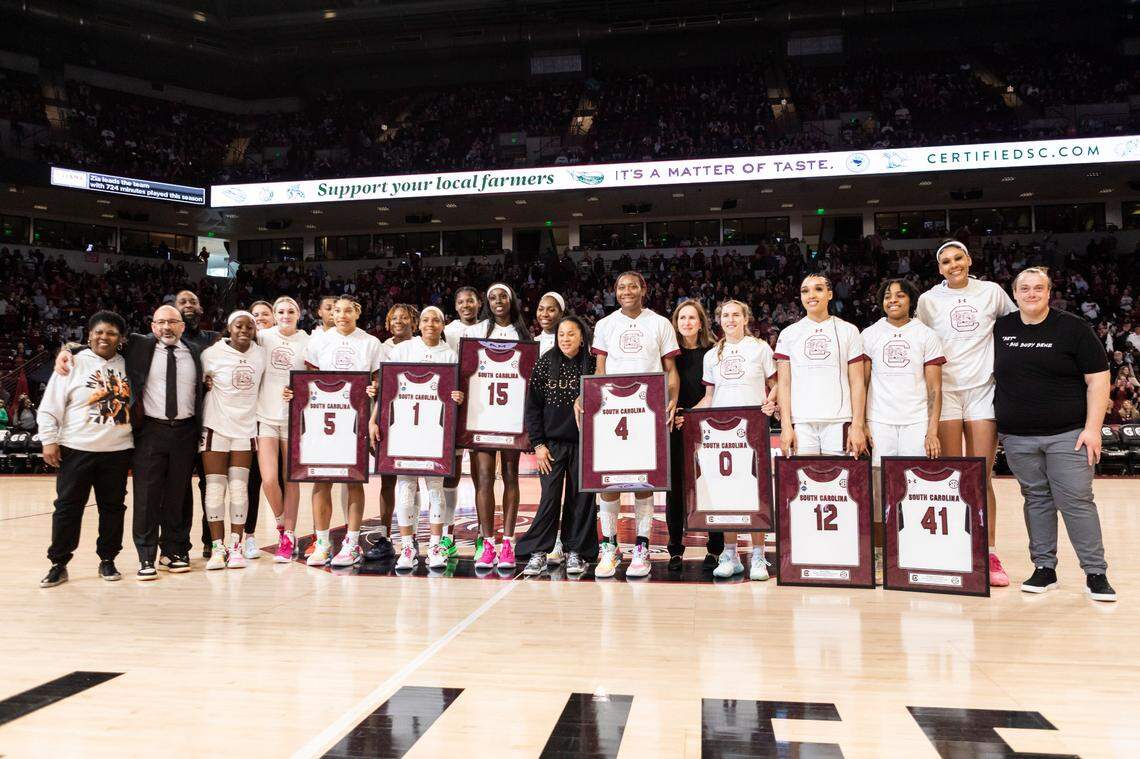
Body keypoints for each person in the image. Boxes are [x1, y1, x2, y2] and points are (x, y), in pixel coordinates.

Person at [994, 267, 1115, 601]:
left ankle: (1095, 573)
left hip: (1069, 434)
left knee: (1076, 500)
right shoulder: (1001, 328)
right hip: (1018, 436)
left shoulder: (1073, 328)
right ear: (1014, 294)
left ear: (1049, 293)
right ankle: (1044, 569)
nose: (1031, 294)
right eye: (1024, 288)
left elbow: (1099, 379)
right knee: (1036, 500)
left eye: (1038, 288)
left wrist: (1093, 430)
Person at [916, 240, 1016, 586]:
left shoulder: (991, 292)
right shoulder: (928, 300)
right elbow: (919, 341)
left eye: (958, 258)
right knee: (950, 476)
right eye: (945, 261)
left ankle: (987, 551)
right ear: (939, 268)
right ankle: (954, 547)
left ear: (969, 260)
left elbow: (1014, 327)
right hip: (945, 393)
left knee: (980, 476)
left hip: (982, 390)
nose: (953, 264)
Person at [590, 271, 681, 579]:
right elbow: (600, 371)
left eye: (632, 286)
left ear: (644, 289)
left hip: (648, 413)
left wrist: (672, 399)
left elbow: (671, 369)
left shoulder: (660, 323)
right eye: (620, 287)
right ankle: (609, 547)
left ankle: (641, 547)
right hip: (613, 413)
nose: (626, 291)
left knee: (644, 483)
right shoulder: (605, 325)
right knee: (610, 483)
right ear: (615, 292)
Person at [38, 311, 134, 587]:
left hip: (117, 450)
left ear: (121, 339)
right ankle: (59, 562)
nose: (104, 337)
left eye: (112, 333)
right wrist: (49, 440)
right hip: (76, 447)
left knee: (113, 508)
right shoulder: (72, 364)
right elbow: (50, 406)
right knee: (67, 508)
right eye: (99, 332)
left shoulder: (129, 365)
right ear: (89, 334)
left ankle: (108, 559)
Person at [688, 300, 777, 580]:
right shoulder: (712, 354)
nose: (730, 319)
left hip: (753, 431)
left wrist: (772, 402)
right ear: (719, 320)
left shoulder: (760, 348)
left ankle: (759, 555)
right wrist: (687, 416)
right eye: (725, 315)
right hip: (721, 433)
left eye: (735, 314)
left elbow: (777, 385)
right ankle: (731, 553)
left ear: (745, 318)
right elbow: (710, 397)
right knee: (728, 492)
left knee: (754, 492)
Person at [375, 307, 464, 571]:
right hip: (404, 430)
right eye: (425, 319)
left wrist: (457, 396)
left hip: (435, 431)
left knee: (435, 488)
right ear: (418, 324)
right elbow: (386, 390)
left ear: (443, 324)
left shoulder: (450, 354)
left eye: (436, 319)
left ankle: (435, 546)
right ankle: (407, 547)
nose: (430, 324)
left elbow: (456, 391)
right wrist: (374, 410)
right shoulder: (402, 350)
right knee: (406, 488)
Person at [862, 279, 945, 550]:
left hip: (916, 421)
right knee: (876, 492)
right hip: (879, 421)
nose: (893, 300)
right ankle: (878, 551)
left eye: (900, 295)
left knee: (914, 487)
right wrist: (861, 423)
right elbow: (861, 384)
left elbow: (935, 388)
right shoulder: (870, 334)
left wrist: (932, 430)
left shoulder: (926, 335)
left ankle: (912, 548)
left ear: (911, 300)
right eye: (887, 296)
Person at [302, 296, 382, 566]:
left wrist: (375, 392)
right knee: (321, 480)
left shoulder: (370, 343)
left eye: (348, 310)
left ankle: (352, 542)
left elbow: (379, 383)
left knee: (353, 481)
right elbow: (307, 379)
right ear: (331, 314)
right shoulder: (318, 342)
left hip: (356, 419)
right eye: (337, 310)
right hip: (322, 418)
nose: (343, 315)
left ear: (357, 313)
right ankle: (323, 542)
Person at [518, 315, 598, 576]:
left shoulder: (594, 364)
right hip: (551, 445)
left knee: (581, 499)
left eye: (571, 334)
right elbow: (532, 408)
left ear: (582, 337)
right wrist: (538, 444)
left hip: (585, 445)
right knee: (550, 498)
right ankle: (539, 552)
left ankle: (576, 551)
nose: (565, 338)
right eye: (561, 334)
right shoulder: (544, 364)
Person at [464, 283, 534, 570]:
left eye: (502, 295)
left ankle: (507, 542)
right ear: (487, 303)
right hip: (482, 416)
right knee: (482, 478)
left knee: (510, 476)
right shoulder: (477, 332)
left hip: (510, 417)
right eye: (491, 297)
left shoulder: (523, 334)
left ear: (511, 299)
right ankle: (487, 543)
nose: (497, 301)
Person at [775, 274, 869, 459]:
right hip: (801, 422)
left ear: (830, 294)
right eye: (805, 291)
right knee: (804, 485)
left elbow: (857, 382)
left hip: (839, 420)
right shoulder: (788, 334)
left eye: (818, 289)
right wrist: (786, 426)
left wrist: (857, 425)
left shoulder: (848, 330)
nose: (811, 295)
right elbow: (784, 384)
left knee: (839, 485)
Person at [199, 311, 266, 570]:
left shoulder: (260, 355)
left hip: (246, 429)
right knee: (215, 488)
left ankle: (236, 546)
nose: (244, 330)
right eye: (239, 325)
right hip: (216, 426)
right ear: (229, 328)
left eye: (250, 326)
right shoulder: (211, 355)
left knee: (240, 488)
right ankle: (218, 547)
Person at [665, 299, 723, 571]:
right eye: (681, 318)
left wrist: (690, 415)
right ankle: (675, 549)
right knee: (675, 490)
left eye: (691, 318)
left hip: (706, 429)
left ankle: (715, 549)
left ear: (701, 322)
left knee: (710, 488)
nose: (686, 323)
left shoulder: (714, 352)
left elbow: (716, 394)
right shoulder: (668, 356)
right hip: (675, 429)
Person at [256, 297, 310, 562]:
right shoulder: (262, 337)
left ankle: (288, 536)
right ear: (273, 315)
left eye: (291, 311)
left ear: (299, 314)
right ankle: (281, 523)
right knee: (268, 479)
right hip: (264, 415)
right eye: (280, 311)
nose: (286, 315)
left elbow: (315, 379)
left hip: (294, 418)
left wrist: (300, 390)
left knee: (291, 480)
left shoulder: (308, 341)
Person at [365, 303, 418, 562]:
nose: (399, 321)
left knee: (414, 482)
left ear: (414, 322)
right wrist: (373, 419)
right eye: (394, 318)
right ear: (387, 322)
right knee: (387, 481)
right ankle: (385, 537)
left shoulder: (421, 346)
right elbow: (376, 387)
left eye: (404, 318)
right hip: (388, 418)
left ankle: (413, 536)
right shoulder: (381, 348)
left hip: (416, 421)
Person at [174, 289, 221, 559]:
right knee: (179, 489)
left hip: (210, 424)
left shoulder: (215, 340)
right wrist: (68, 348)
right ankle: (179, 545)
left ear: (201, 309)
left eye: (193, 301)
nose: (189, 305)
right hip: (180, 426)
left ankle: (210, 540)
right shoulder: (160, 341)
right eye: (183, 302)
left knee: (210, 486)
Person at [439, 286, 482, 559]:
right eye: (461, 301)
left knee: (482, 477)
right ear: (455, 306)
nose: (466, 305)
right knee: (451, 476)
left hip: (480, 408)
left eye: (470, 300)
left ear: (479, 303)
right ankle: (447, 534)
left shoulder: (488, 328)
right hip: (454, 408)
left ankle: (482, 536)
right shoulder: (448, 331)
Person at [237, 300, 276, 559]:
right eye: (255, 315)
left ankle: (283, 533)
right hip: (245, 424)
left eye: (264, 314)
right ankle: (246, 537)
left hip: (273, 422)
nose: (259, 319)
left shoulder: (276, 348)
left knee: (272, 482)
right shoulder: (241, 350)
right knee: (248, 484)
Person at [535, 291, 566, 357]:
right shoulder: (534, 341)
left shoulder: (569, 343)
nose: (544, 314)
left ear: (561, 314)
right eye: (540, 309)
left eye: (551, 310)